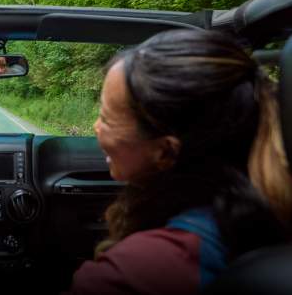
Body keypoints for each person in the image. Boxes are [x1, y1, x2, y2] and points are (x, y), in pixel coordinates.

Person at [68, 29, 292, 295]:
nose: (96, 127)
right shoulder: (272, 203)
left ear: (165, 152)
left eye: (105, 119)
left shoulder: (128, 274)